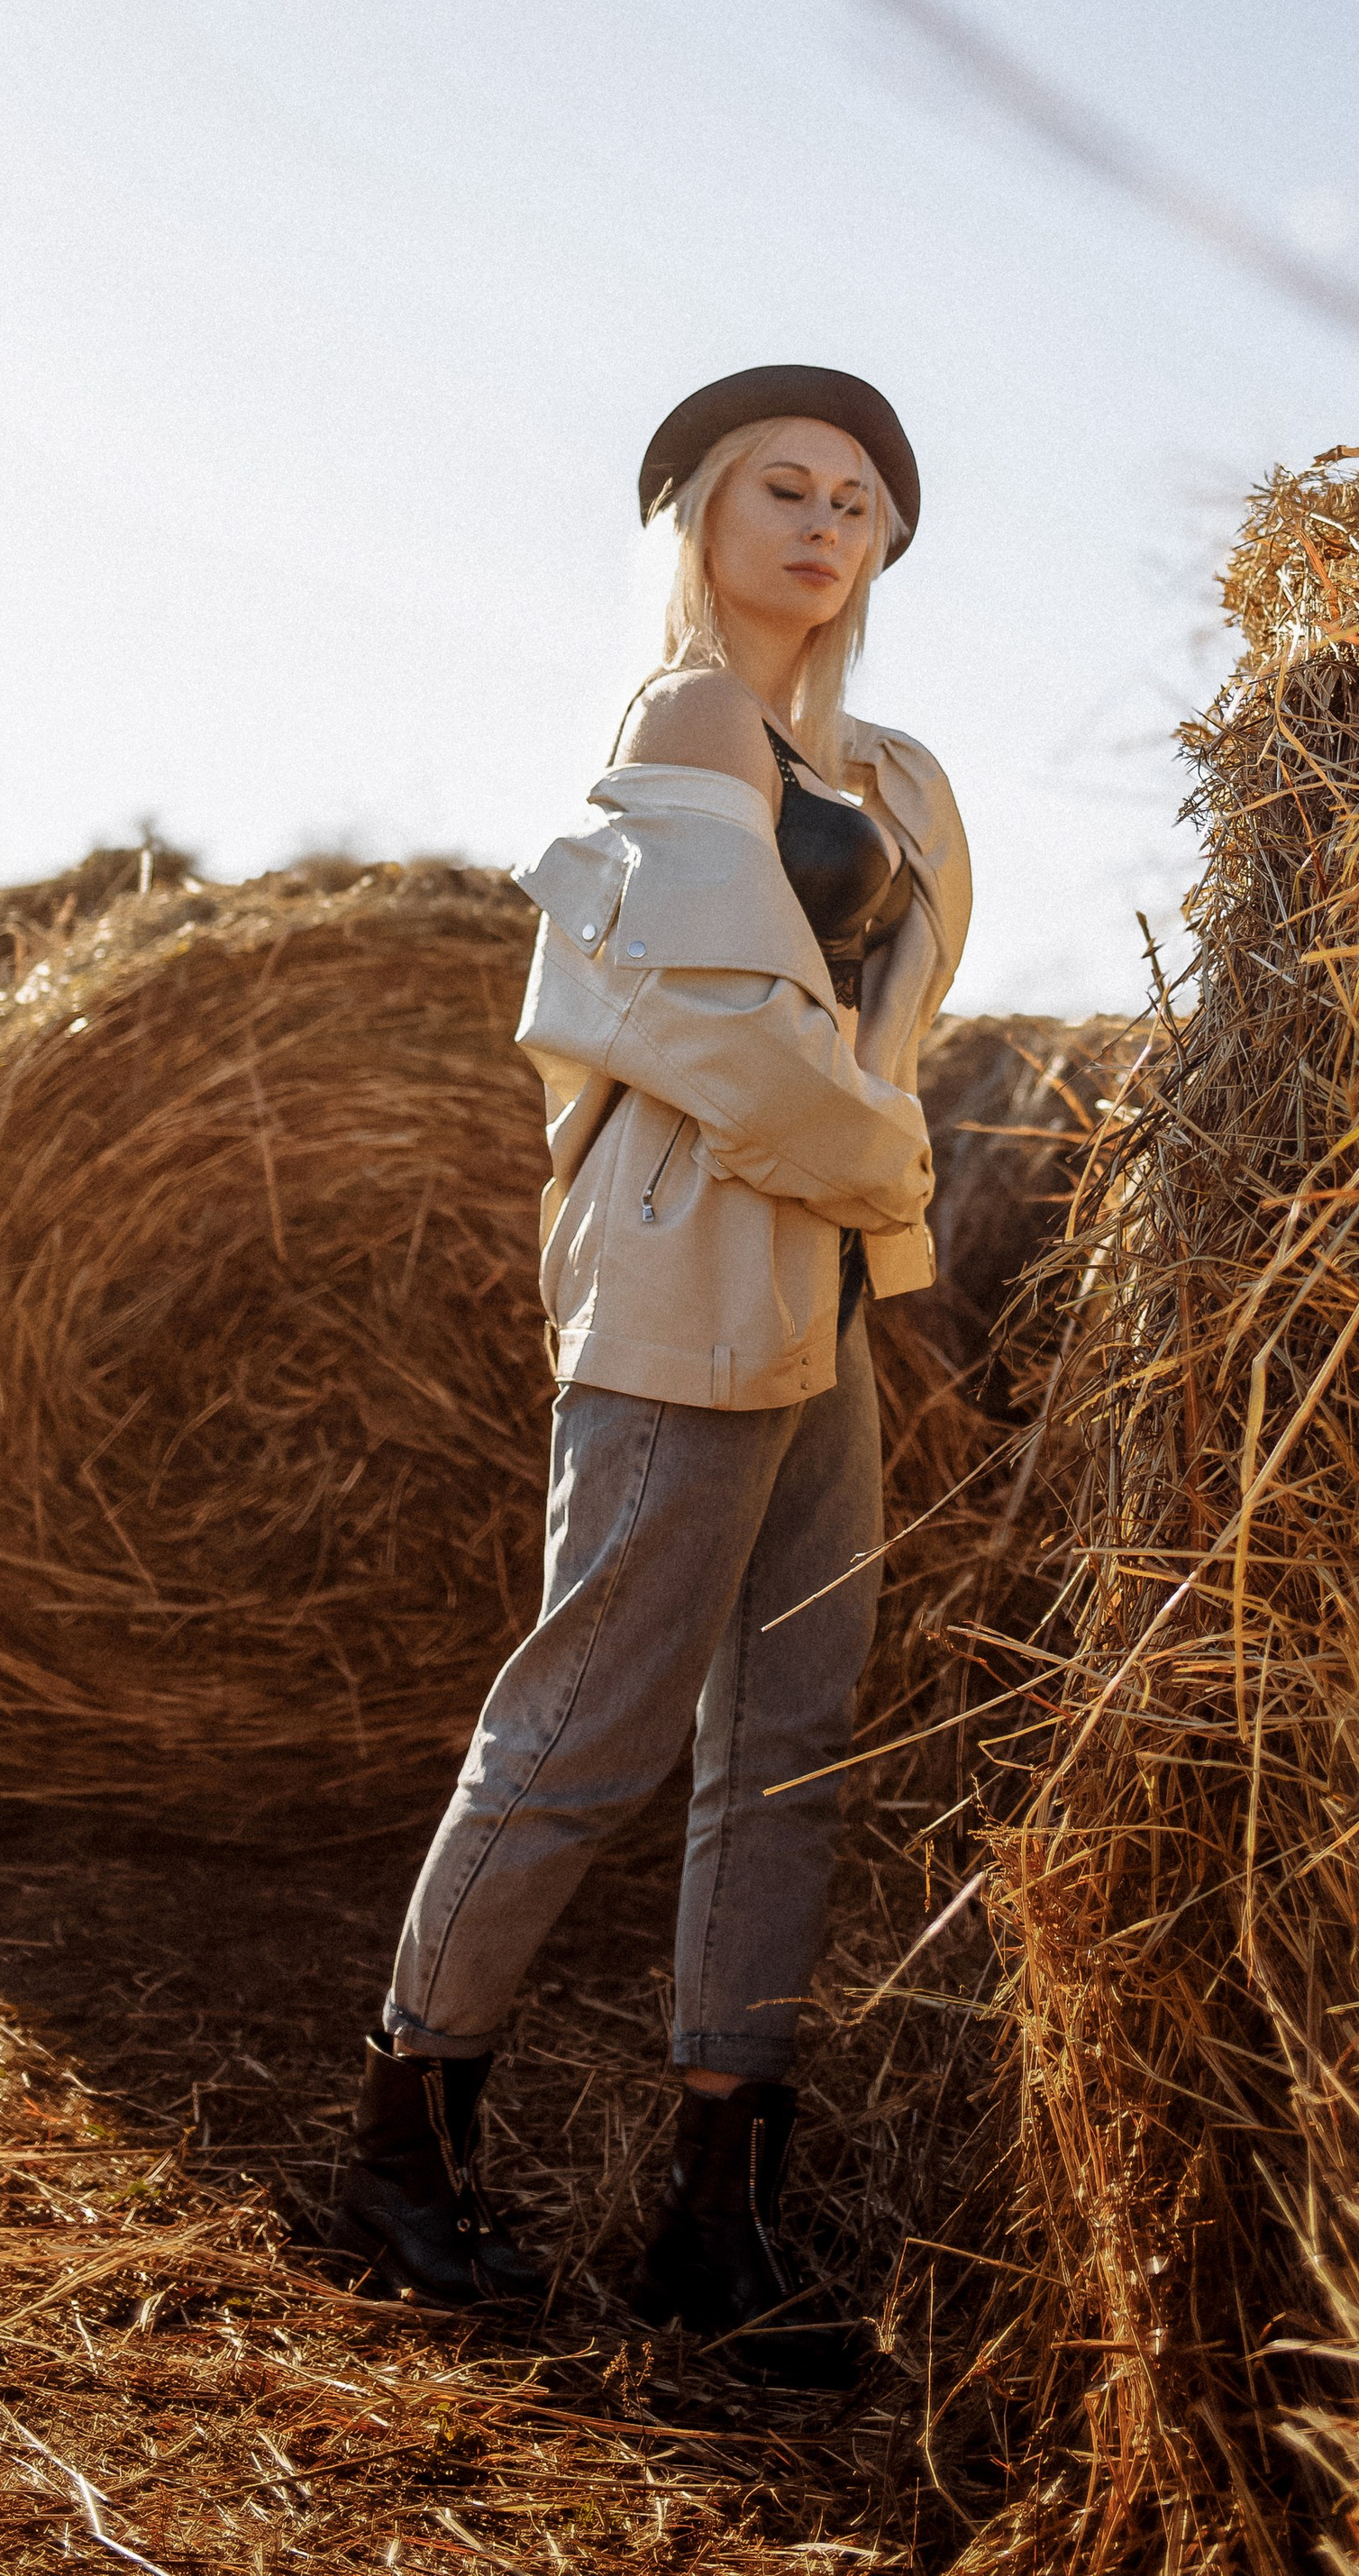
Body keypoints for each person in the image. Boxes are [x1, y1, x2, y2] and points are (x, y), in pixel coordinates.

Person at [333, 365, 971, 2384]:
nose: (821, 524)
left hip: (823, 1289)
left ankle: (721, 2204)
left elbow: (881, 1035)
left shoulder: (896, 769)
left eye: (859, 503)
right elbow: (713, 1034)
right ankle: (398, 2145)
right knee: (593, 1720)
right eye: (780, 487)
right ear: (693, 514)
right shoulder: (683, 721)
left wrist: (875, 1179)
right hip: (688, 1268)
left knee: (790, 1732)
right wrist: (899, 1182)